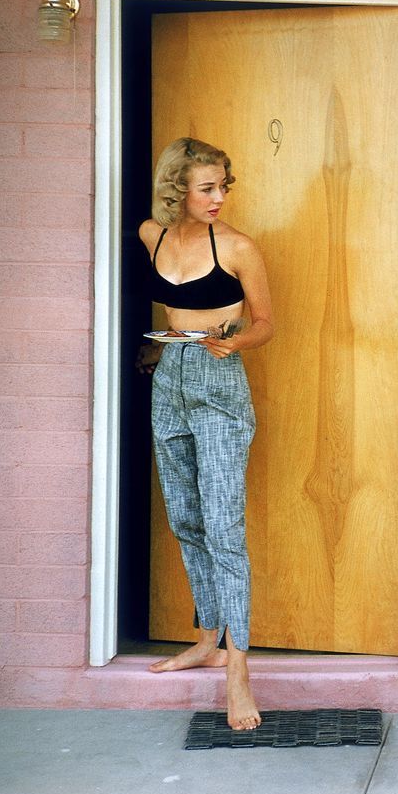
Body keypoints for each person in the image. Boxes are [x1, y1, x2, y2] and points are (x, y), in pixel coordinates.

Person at [136, 137, 274, 729]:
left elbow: (266, 322)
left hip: (218, 382)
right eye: (206, 188)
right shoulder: (153, 235)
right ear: (178, 192)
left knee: (223, 523)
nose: (218, 198)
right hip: (170, 375)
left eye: (223, 186)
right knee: (185, 516)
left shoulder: (239, 247)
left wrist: (236, 340)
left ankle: (238, 671)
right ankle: (207, 639)